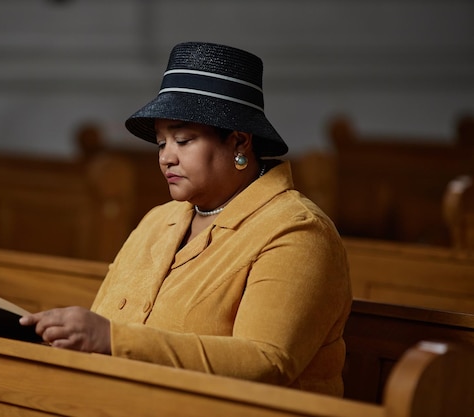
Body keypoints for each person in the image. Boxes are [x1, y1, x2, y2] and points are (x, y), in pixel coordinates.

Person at [20, 41, 351, 396]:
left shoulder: (297, 231)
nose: (166, 158)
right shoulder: (157, 221)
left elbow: (266, 361)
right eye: (162, 143)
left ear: (239, 142)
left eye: (183, 139)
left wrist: (112, 339)